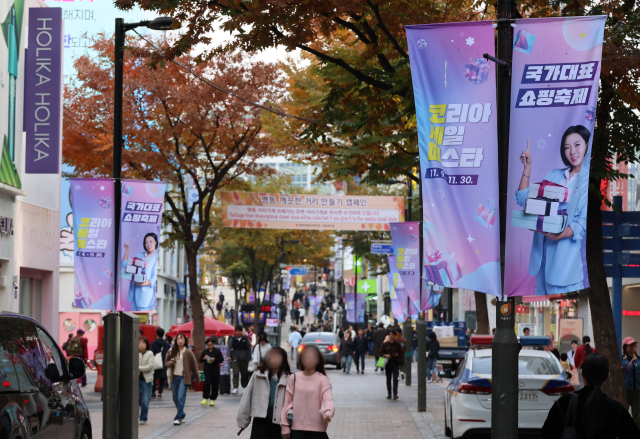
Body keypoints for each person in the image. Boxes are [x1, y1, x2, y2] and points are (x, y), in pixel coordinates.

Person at [517, 126, 590, 296]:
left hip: (566, 265)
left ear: (587, 145)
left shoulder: (587, 180)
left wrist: (560, 234)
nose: (572, 151)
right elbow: (523, 201)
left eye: (577, 144)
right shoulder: (554, 175)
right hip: (541, 260)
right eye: (567, 147)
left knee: (563, 315)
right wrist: (527, 168)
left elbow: (582, 222)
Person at [541, 354, 640, 438]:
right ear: (607, 376)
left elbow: (546, 435)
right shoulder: (615, 409)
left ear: (582, 373)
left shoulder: (563, 404)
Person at [281, 345, 335, 439]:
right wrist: (284, 426)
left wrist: (328, 412)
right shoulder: (294, 378)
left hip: (318, 430)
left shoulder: (322, 379)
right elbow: (287, 403)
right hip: (297, 429)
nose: (309, 360)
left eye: (312, 357)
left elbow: (327, 399)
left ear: (318, 360)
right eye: (306, 357)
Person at [237, 347, 292, 439]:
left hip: (280, 423)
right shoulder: (258, 375)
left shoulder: (289, 378)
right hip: (260, 421)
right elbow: (247, 397)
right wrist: (243, 421)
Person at [165, 333, 200, 425]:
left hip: (183, 378)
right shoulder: (171, 351)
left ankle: (178, 417)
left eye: (182, 339)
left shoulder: (188, 352)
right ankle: (182, 413)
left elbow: (194, 366)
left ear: (185, 341)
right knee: (175, 398)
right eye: (178, 339)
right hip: (174, 377)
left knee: (181, 397)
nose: (180, 341)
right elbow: (166, 363)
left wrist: (197, 378)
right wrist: (171, 363)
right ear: (176, 341)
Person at [121, 233, 159, 311]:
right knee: (133, 320)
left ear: (155, 242)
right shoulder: (140, 255)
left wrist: (140, 283)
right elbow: (124, 264)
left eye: (151, 241)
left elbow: (153, 278)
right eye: (146, 242)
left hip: (145, 296)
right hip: (133, 294)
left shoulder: (156, 258)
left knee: (142, 320)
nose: (148, 244)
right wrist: (127, 250)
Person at [227, 325, 253, 394]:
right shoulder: (232, 339)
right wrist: (228, 356)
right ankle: (235, 387)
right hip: (235, 358)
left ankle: (244, 386)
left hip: (244, 359)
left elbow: (249, 349)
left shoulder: (245, 339)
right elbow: (229, 348)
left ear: (242, 331)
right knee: (235, 373)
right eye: (236, 331)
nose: (238, 332)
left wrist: (249, 358)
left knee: (244, 373)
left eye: (239, 331)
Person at [621, 336, 640, 428]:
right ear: (625, 347)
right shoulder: (621, 361)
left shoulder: (639, 360)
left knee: (638, 414)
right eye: (630, 345)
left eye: (634, 345)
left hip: (637, 391)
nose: (632, 347)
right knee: (624, 413)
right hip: (625, 391)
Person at [380, 330, 404, 400]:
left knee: (395, 378)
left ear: (395, 335)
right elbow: (380, 353)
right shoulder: (385, 344)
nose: (391, 336)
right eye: (390, 334)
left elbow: (401, 353)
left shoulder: (397, 344)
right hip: (387, 363)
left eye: (393, 334)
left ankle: (395, 394)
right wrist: (385, 355)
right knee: (388, 379)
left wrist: (397, 354)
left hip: (395, 363)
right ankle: (389, 394)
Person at [199, 338, 224, 406]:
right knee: (206, 383)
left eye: (211, 345)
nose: (209, 346)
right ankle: (205, 398)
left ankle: (212, 399)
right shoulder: (205, 352)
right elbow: (200, 360)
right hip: (207, 370)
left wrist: (214, 359)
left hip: (215, 370)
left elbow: (221, 359)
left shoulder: (217, 351)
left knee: (215, 384)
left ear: (213, 344)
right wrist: (204, 358)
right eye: (208, 345)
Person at [151, 328, 171, 400]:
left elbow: (151, 352)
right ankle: (160, 393)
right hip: (163, 362)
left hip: (155, 363)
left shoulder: (154, 343)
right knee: (162, 378)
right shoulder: (166, 344)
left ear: (156, 334)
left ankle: (153, 393)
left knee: (153, 378)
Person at [138, 336, 154, 425]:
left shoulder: (150, 353)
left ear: (146, 344)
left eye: (143, 343)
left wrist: (138, 368)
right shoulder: (135, 353)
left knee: (145, 400)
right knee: (136, 399)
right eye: (140, 343)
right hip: (135, 380)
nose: (141, 345)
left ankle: (143, 418)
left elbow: (149, 367)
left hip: (146, 380)